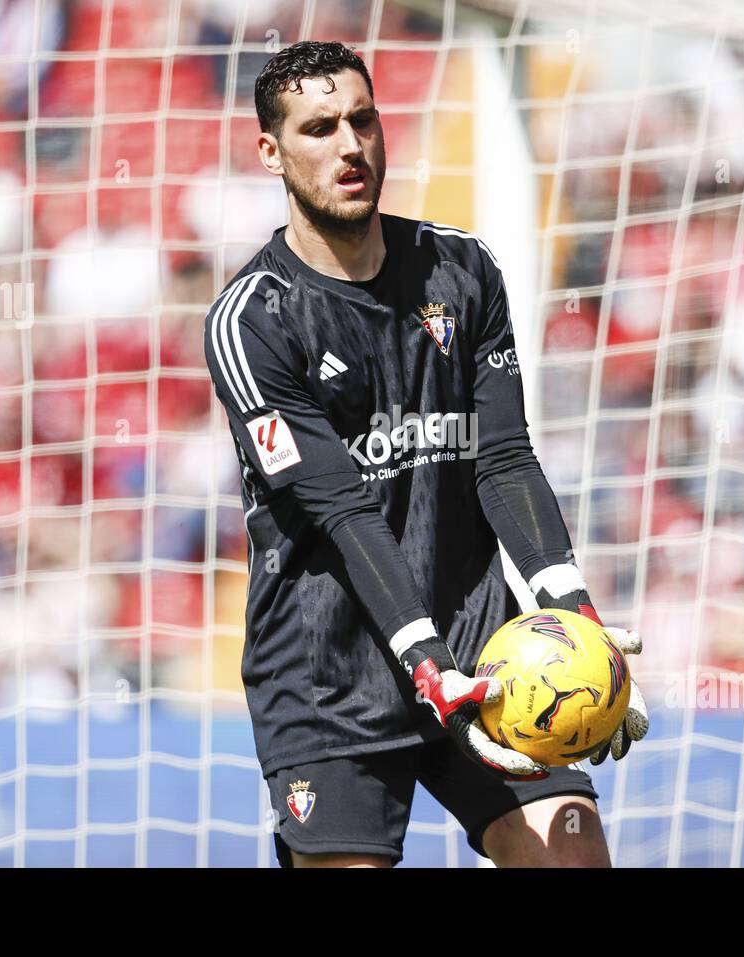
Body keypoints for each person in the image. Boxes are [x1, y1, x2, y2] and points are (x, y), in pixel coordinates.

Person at [203, 39, 648, 868]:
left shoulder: (461, 270)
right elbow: (340, 510)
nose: (349, 146)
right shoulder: (252, 322)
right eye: (320, 127)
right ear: (271, 152)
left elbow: (505, 459)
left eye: (364, 121)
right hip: (331, 674)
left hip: (483, 650)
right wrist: (424, 660)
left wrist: (574, 612)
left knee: (571, 856)